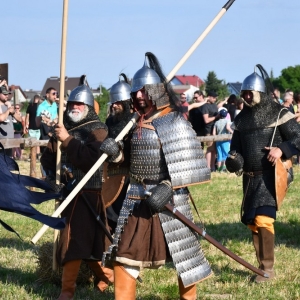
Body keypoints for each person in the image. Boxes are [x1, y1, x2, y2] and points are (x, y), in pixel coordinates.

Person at [103, 52, 212, 300]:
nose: (139, 95)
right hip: (136, 197)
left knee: (185, 260)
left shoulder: (174, 122)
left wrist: (167, 187)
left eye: (144, 90)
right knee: (123, 257)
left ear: (156, 91)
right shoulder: (135, 122)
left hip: (171, 200)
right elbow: (128, 161)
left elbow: (190, 167)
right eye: (136, 91)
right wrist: (116, 154)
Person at [40, 83, 122, 299]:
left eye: (79, 103)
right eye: (72, 103)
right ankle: (107, 277)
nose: (74, 107)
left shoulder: (98, 130)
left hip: (89, 194)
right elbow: (47, 159)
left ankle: (67, 292)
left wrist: (67, 140)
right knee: (88, 244)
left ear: (88, 106)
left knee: (74, 241)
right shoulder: (64, 127)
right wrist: (51, 179)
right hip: (68, 194)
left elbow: (91, 160)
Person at [225, 65, 300, 283]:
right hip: (250, 178)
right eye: (244, 93)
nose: (247, 96)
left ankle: (268, 270)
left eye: (251, 93)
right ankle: (261, 269)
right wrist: (234, 160)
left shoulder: (279, 113)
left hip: (270, 176)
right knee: (253, 222)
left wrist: (281, 150)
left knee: (264, 219)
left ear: (260, 93)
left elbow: (298, 139)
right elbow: (235, 151)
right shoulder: (241, 120)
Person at [103, 73, 133, 232]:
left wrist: (120, 151)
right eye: (112, 102)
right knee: (109, 208)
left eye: (118, 103)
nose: (113, 105)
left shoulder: (134, 122)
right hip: (111, 175)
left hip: (129, 176)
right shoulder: (110, 122)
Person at [0, 81, 22, 156]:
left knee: (8, 165)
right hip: (1, 142)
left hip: (10, 141)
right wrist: (8, 111)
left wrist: (13, 112)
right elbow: (1, 118)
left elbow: (20, 119)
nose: (7, 96)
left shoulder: (8, 106)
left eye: (7, 94)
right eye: (4, 94)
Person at [202, 91, 220, 171]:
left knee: (214, 150)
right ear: (209, 97)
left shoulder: (215, 105)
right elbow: (206, 120)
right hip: (209, 130)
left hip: (215, 130)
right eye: (214, 97)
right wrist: (216, 117)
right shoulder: (205, 106)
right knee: (210, 149)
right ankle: (208, 167)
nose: (215, 99)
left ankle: (213, 167)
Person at [25, 94, 41, 160]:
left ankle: (31, 155)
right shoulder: (40, 107)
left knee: (31, 142)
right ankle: (37, 156)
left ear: (33, 99)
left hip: (31, 127)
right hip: (38, 127)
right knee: (38, 142)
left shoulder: (30, 106)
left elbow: (27, 116)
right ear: (38, 99)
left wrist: (26, 125)